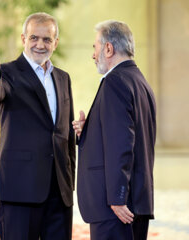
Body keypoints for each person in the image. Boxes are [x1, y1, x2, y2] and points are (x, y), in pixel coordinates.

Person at [0, 12, 76, 240]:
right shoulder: (8, 73)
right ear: (23, 39)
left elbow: (66, 134)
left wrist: (70, 180)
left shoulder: (63, 78)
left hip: (59, 190)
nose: (40, 44)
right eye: (34, 38)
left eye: (47, 39)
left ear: (56, 42)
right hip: (20, 188)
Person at [73, 20, 156, 240]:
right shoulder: (141, 82)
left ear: (108, 48)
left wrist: (117, 198)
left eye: (95, 47)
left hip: (116, 207)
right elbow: (125, 134)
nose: (93, 55)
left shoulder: (114, 82)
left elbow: (121, 144)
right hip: (136, 200)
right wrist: (88, 130)